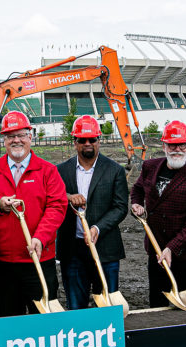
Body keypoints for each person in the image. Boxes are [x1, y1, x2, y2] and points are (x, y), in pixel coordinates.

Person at [0, 111, 67, 317]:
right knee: (10, 319)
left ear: (30, 137)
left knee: (42, 322)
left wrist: (40, 238)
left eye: (21, 135)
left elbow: (57, 206)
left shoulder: (47, 170)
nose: (16, 140)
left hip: (38, 261)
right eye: (10, 136)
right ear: (3, 140)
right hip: (2, 264)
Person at [130, 120, 186, 307]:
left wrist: (171, 247)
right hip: (156, 249)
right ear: (164, 146)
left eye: (182, 144)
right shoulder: (150, 166)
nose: (177, 149)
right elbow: (138, 189)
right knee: (158, 306)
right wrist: (136, 204)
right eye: (172, 144)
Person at [56, 115, 128, 310]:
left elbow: (121, 207)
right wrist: (68, 196)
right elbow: (51, 198)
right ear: (75, 142)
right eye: (82, 140)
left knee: (108, 305)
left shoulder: (115, 170)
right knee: (75, 306)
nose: (87, 144)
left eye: (92, 139)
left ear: (99, 140)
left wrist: (97, 228)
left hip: (105, 248)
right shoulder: (60, 171)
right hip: (73, 250)